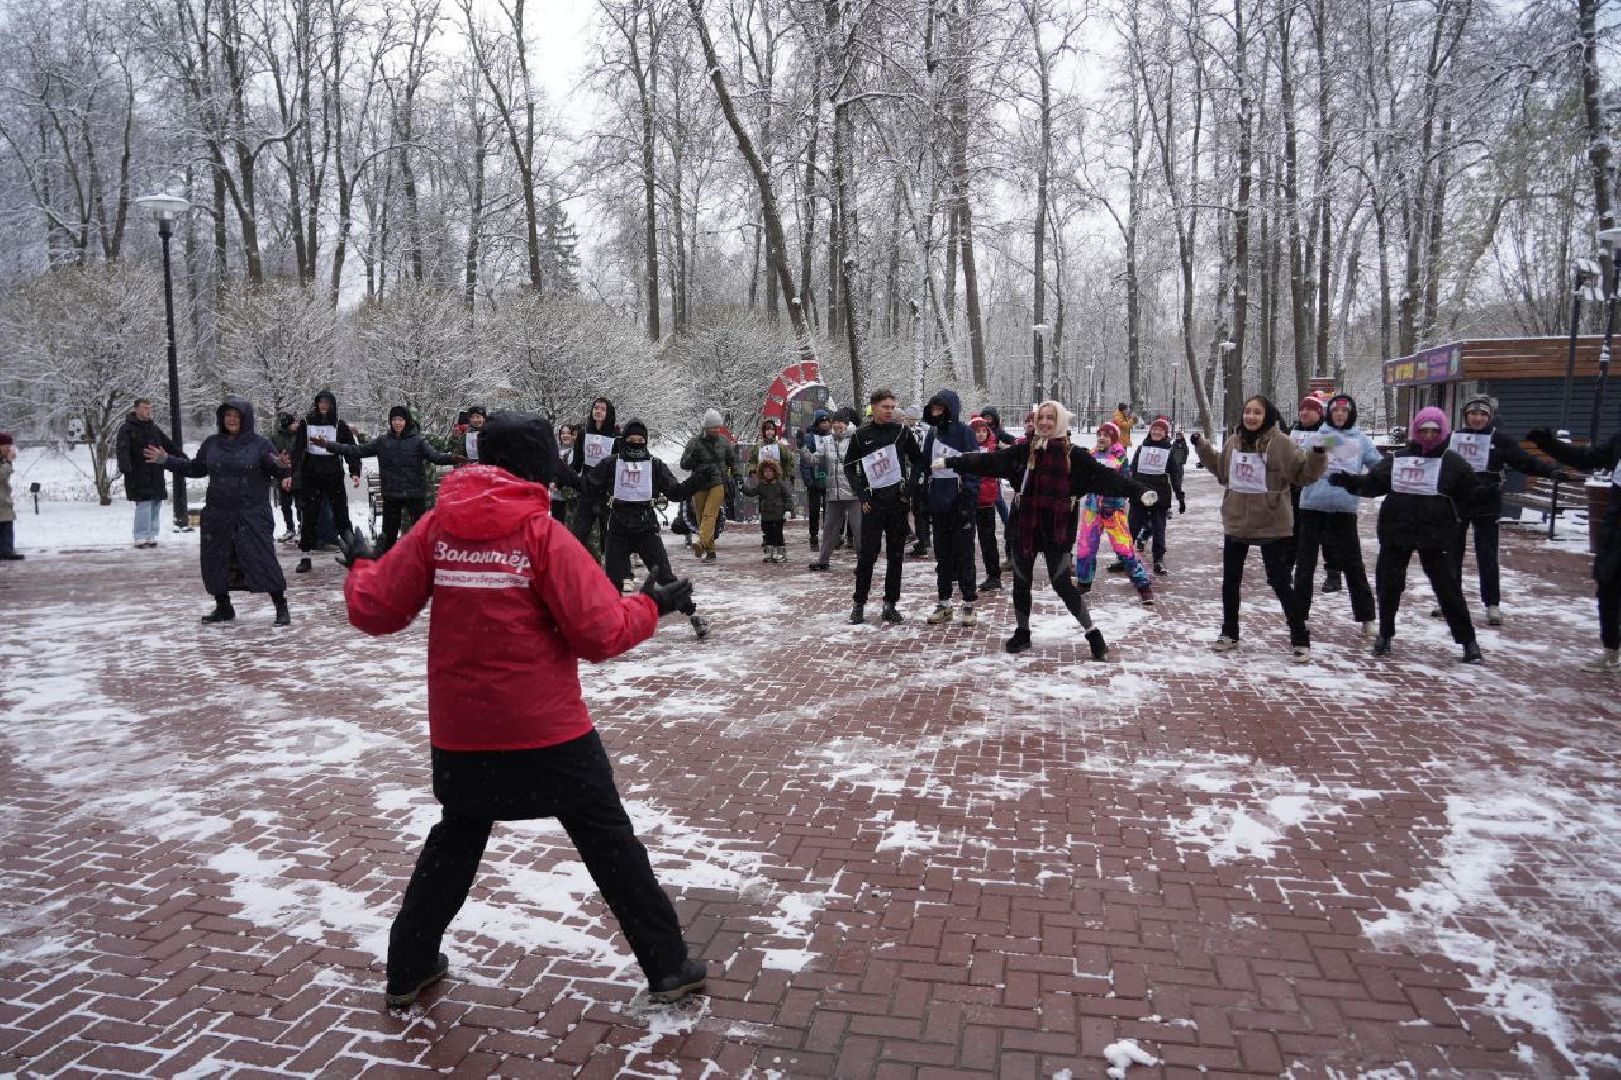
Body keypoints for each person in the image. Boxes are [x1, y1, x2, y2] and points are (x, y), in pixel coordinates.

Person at [338, 411, 708, 1009]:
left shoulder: (438, 529)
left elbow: (376, 608)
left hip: (464, 735)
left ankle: (408, 966)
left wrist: (360, 565)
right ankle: (668, 966)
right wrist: (650, 607)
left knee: (456, 842)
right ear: (535, 467)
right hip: (548, 733)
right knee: (610, 843)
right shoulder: (542, 535)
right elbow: (599, 633)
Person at [952, 401, 1156, 657]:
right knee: (1021, 581)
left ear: (1059, 421)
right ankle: (1022, 632)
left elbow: (1109, 478)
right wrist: (953, 462)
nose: (1045, 422)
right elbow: (990, 461)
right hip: (1024, 527)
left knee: (1062, 583)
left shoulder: (1075, 457)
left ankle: (1093, 633)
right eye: (1041, 418)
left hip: (1056, 531)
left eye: (1051, 418)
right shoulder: (1024, 451)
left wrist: (1139, 490)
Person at [1327, 406, 1482, 664]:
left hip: (1436, 534)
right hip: (1396, 531)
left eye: (1434, 430)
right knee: (1389, 586)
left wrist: (1486, 496)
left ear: (1442, 431)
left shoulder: (1452, 462)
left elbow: (1470, 493)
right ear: (1416, 430)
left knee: (1448, 588)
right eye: (1424, 430)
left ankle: (1468, 641)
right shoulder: (1399, 458)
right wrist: (1350, 482)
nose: (1429, 435)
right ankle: (1385, 635)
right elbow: (1374, 484)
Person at [1191, 394, 1326, 663]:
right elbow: (1222, 471)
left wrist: (1318, 454)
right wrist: (1202, 447)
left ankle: (1300, 636)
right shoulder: (1234, 441)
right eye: (1247, 411)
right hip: (1236, 521)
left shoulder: (1281, 444)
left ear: (1267, 416)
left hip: (1271, 522)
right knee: (1231, 581)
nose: (1250, 417)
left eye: (1257, 412)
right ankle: (1229, 632)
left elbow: (1304, 474)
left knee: (1278, 581)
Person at [146, 398, 291, 625]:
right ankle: (223, 607)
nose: (231, 420)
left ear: (246, 419)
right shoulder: (212, 443)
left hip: (251, 514)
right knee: (216, 562)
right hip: (218, 514)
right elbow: (195, 468)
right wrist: (167, 460)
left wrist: (282, 466)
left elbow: (275, 466)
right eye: (227, 415)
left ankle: (281, 606)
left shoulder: (260, 444)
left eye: (236, 415)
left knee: (262, 559)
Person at [1447, 395, 1576, 626]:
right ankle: (1448, 599)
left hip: (1486, 501)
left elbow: (1524, 460)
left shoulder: (1500, 440)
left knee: (1487, 554)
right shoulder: (1453, 438)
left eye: (1482, 414)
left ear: (1489, 417)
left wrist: (1551, 471)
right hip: (1457, 501)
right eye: (1473, 414)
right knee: (1452, 552)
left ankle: (1492, 604)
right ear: (1466, 416)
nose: (1477, 418)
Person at [580, 418, 710, 639]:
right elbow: (588, 485)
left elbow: (675, 492)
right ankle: (608, 625)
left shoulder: (655, 465)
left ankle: (693, 614)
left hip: (646, 527)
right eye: (631, 440)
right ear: (624, 440)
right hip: (619, 526)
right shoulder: (612, 463)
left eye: (641, 440)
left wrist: (697, 481)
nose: (636, 444)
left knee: (665, 577)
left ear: (646, 442)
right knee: (612, 580)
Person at [1526, 424, 1619, 672]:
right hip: (1616, 531)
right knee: (1608, 588)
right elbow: (1587, 459)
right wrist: (1549, 445)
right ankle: (1611, 652)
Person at [1293, 394, 1380, 636]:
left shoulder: (1361, 440)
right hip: (1312, 506)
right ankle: (1298, 615)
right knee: (1305, 564)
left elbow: (1378, 467)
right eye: (1335, 410)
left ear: (1351, 413)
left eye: (1344, 410)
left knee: (1353, 564)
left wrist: (1362, 482)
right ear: (1328, 413)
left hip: (1344, 508)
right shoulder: (1317, 437)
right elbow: (1297, 463)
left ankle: (1367, 617)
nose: (1340, 414)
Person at [314, 406, 454, 552]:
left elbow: (436, 457)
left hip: (414, 495)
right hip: (391, 495)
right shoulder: (383, 442)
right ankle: (388, 566)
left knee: (421, 534)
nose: (397, 423)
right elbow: (355, 450)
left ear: (407, 421)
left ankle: (421, 564)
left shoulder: (418, 442)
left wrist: (453, 458)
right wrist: (329, 445)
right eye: (394, 420)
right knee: (388, 536)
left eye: (400, 420)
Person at [845, 389, 925, 624]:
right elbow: (849, 467)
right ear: (874, 407)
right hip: (872, 504)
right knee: (867, 555)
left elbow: (919, 460)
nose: (890, 411)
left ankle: (890, 604)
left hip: (897, 504)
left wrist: (908, 488)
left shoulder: (902, 431)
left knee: (896, 555)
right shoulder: (861, 435)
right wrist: (862, 495)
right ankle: (858, 604)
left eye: (892, 407)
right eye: (885, 407)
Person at [917, 390, 981, 626]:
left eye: (940, 408)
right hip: (938, 503)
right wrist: (923, 498)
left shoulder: (965, 432)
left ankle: (969, 603)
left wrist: (968, 498)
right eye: (932, 409)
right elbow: (925, 467)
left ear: (950, 409)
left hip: (961, 502)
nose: (935, 413)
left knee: (964, 556)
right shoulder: (932, 435)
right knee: (942, 556)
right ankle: (944, 602)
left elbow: (974, 465)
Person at [1075, 422, 1154, 603]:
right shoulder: (1092, 454)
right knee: (1085, 548)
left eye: (1106, 435)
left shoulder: (1120, 457)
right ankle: (1083, 582)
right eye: (1099, 434)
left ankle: (1143, 586)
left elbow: (1125, 482)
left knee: (1124, 549)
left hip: (1113, 511)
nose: (1102, 438)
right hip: (1092, 510)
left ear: (1113, 438)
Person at [287, 390, 362, 573]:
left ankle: (352, 552)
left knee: (341, 513)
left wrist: (354, 471)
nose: (323, 406)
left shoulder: (339, 424)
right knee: (309, 514)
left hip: (333, 474)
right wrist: (290, 473)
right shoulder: (306, 422)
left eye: (327, 403)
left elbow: (350, 449)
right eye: (321, 402)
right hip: (311, 475)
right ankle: (305, 555)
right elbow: (297, 450)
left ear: (332, 405)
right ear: (316, 403)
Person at [115, 398, 178, 548]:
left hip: (156, 472)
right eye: (145, 408)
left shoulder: (154, 429)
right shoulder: (126, 429)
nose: (148, 411)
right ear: (136, 409)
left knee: (156, 503)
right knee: (144, 504)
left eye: (150, 408)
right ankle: (140, 535)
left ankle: (151, 534)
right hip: (138, 473)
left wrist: (182, 458)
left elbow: (168, 444)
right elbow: (122, 450)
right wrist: (126, 468)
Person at [680, 409, 740, 562]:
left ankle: (701, 542)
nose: (716, 430)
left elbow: (733, 461)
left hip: (718, 482)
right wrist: (693, 455)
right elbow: (684, 465)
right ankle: (710, 551)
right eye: (712, 427)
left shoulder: (724, 442)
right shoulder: (694, 443)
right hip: (699, 483)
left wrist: (737, 476)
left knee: (710, 514)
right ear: (705, 427)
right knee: (701, 517)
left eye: (718, 427)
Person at [1128, 416, 1185, 576]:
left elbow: (1175, 476)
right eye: (1154, 429)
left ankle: (1158, 559)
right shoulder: (1141, 448)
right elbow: (1132, 470)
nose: (1156, 432)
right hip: (1140, 493)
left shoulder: (1169, 451)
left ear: (1165, 433)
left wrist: (1180, 497)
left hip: (1160, 496)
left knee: (1159, 528)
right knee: (1132, 527)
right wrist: (1128, 489)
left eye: (1160, 430)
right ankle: (1124, 556)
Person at [808, 408, 863, 572]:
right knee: (830, 528)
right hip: (834, 492)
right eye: (836, 422)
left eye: (842, 422)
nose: (838, 425)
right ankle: (823, 560)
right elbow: (815, 459)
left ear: (847, 424)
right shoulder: (827, 441)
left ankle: (863, 562)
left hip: (853, 492)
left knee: (859, 529)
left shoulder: (856, 439)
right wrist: (802, 449)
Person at [570, 397, 620, 561]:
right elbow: (576, 463)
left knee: (608, 531)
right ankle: (576, 565)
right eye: (596, 408)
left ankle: (612, 567)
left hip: (606, 491)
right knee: (579, 531)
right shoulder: (584, 434)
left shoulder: (616, 437)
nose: (598, 411)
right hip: (587, 487)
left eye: (602, 409)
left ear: (608, 413)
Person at [968, 416, 1003, 590]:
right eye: (977, 432)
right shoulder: (967, 448)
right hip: (968, 500)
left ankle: (994, 575)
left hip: (986, 501)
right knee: (966, 539)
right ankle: (963, 572)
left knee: (987, 539)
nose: (981, 434)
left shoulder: (993, 449)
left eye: (984, 431)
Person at [742, 459, 793, 564]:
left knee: (778, 534)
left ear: (774, 472)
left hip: (778, 514)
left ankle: (781, 553)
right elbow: (752, 492)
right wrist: (742, 488)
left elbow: (787, 497)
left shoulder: (780, 484)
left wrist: (788, 509)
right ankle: (769, 553)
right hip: (766, 515)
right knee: (767, 534)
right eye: (765, 471)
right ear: (762, 473)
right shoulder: (761, 485)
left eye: (770, 471)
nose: (768, 473)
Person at [799, 410, 832, 549]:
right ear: (817, 423)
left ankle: (829, 536)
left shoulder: (832, 437)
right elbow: (805, 461)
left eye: (827, 421)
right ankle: (813, 536)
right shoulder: (809, 437)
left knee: (829, 510)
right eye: (822, 422)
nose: (825, 424)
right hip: (814, 479)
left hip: (829, 480)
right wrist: (808, 480)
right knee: (814, 510)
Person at [270, 412, 300, 540]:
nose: (296, 425)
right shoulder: (275, 438)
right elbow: (272, 457)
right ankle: (289, 528)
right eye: (294, 423)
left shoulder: (300, 437)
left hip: (298, 476)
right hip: (282, 477)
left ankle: (301, 527)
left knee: (300, 504)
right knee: (285, 504)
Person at [552, 424, 580, 524]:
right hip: (556, 496)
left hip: (572, 497)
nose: (565, 435)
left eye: (568, 433)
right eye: (563, 433)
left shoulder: (577, 452)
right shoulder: (556, 451)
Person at [0, 433, 18, 560]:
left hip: (3, 500)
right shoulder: (4, 461)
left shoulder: (3, 459)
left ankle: (7, 550)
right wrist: (8, 462)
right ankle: (5, 551)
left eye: (9, 445)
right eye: (6, 445)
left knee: (6, 522)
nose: (8, 448)